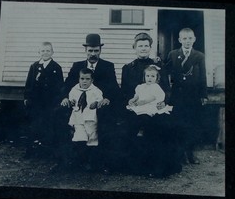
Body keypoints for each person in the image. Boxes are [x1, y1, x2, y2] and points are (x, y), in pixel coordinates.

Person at [59, 33, 123, 172]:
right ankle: (67, 160)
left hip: (98, 106)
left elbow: (113, 89)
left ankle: (99, 161)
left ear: (100, 50)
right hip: (78, 104)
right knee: (60, 115)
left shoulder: (107, 66)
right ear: (85, 50)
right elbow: (67, 85)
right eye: (90, 51)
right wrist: (65, 97)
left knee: (105, 121)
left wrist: (107, 99)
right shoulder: (77, 66)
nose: (93, 54)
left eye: (96, 51)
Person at [121, 33, 181, 177]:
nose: (143, 48)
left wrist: (163, 102)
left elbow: (166, 89)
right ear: (135, 48)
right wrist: (130, 101)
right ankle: (136, 167)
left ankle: (159, 167)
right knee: (129, 127)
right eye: (140, 46)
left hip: (155, 107)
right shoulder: (128, 68)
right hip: (136, 109)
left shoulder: (158, 66)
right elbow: (125, 92)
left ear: (150, 48)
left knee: (162, 126)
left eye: (146, 46)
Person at [165, 28, 208, 164]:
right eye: (184, 38)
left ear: (194, 39)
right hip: (177, 96)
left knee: (191, 125)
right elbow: (165, 70)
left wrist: (204, 95)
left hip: (193, 96)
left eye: (190, 38)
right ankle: (180, 154)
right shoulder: (173, 54)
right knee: (178, 124)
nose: (187, 41)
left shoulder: (199, 56)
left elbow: (202, 76)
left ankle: (191, 153)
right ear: (179, 40)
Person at [24, 42, 64, 158]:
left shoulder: (56, 67)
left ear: (52, 52)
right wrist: (26, 97)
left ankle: (46, 151)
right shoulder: (34, 66)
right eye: (43, 51)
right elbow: (29, 83)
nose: (45, 53)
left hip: (49, 103)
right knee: (34, 125)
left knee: (48, 125)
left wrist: (57, 101)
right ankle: (31, 150)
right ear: (39, 52)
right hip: (35, 102)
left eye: (48, 51)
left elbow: (59, 86)